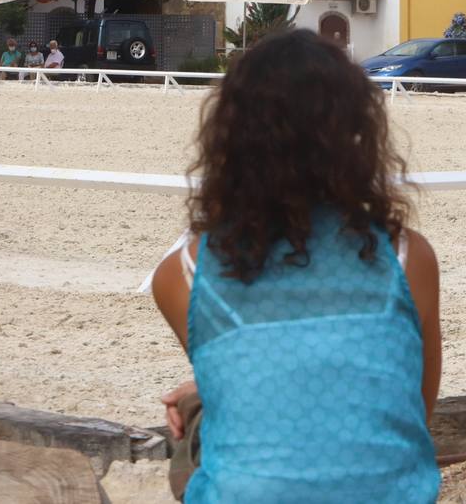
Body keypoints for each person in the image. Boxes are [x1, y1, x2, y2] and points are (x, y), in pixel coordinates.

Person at [150, 29, 442, 503]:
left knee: (192, 437)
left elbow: (250, 361)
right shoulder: (409, 258)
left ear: (232, 136)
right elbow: (413, 411)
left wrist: (197, 395)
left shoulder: (182, 272)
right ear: (355, 134)